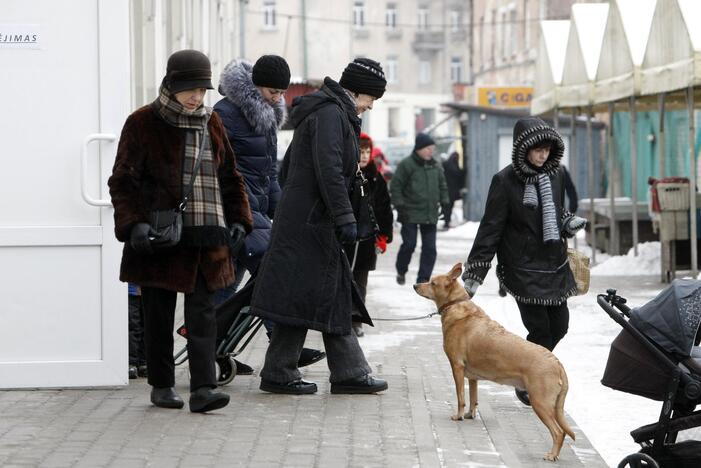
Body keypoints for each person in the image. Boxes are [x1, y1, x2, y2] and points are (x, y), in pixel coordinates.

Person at [108, 49, 253, 413]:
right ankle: (161, 384)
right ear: (171, 85)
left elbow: (230, 177)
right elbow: (123, 180)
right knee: (158, 313)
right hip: (161, 237)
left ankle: (203, 389)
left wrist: (239, 220)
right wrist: (134, 224)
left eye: (202, 90)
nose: (196, 97)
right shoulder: (142, 122)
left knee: (202, 315)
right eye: (189, 88)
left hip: (207, 237)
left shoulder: (212, 122)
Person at [250, 58, 389, 395]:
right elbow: (329, 170)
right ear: (357, 91)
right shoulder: (330, 114)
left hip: (308, 219)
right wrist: (344, 217)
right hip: (313, 221)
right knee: (320, 292)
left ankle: (302, 370)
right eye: (371, 98)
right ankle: (332, 372)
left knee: (320, 292)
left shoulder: (332, 111)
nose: (370, 106)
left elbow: (290, 172)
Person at [461, 116, 586, 406]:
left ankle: (524, 373)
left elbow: (554, 209)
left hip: (553, 263)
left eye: (547, 150)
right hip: (521, 266)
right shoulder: (504, 181)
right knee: (541, 329)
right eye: (538, 150)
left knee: (560, 327)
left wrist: (567, 221)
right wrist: (476, 271)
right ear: (523, 149)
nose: (543, 155)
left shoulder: (555, 174)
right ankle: (531, 379)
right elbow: (490, 227)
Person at [213, 55, 326, 373]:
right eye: (273, 92)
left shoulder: (268, 113)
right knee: (273, 269)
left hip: (256, 210)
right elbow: (224, 171)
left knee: (228, 284)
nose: (278, 99)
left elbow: (266, 173)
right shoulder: (225, 113)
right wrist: (247, 213)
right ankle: (281, 343)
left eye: (281, 93)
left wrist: (282, 209)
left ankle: (216, 349)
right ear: (255, 86)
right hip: (235, 211)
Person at [344, 132, 394, 337]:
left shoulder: (376, 177)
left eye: (367, 152)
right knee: (343, 278)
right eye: (361, 151)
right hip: (346, 236)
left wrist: (384, 236)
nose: (364, 156)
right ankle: (339, 317)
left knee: (360, 281)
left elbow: (384, 208)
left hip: (367, 238)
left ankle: (356, 319)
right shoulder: (346, 173)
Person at [391, 132, 450, 285]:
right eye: (428, 148)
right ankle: (401, 269)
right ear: (419, 148)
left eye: (432, 148)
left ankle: (423, 279)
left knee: (430, 249)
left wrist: (445, 204)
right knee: (409, 244)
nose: (431, 151)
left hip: (430, 213)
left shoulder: (435, 166)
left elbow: (443, 186)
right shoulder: (407, 165)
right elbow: (396, 186)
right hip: (409, 213)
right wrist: (400, 206)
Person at [441, 151, 466, 230]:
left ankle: (446, 222)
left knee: (446, 207)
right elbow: (458, 174)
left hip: (445, 190)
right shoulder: (453, 165)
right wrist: (464, 171)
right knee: (448, 207)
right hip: (450, 191)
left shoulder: (445, 164)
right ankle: (446, 222)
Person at [128, 283, 147, 379]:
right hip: (130, 292)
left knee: (147, 327)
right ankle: (132, 363)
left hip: (148, 290)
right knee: (133, 327)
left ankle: (143, 362)